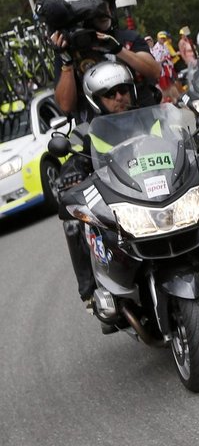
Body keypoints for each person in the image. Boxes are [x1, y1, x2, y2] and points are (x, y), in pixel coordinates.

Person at [54, 61, 138, 309]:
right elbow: (72, 163)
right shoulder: (84, 133)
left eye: (123, 89)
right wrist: (71, 177)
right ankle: (90, 291)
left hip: (152, 191)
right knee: (72, 218)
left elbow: (176, 143)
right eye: (110, 94)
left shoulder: (149, 119)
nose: (119, 97)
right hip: (114, 201)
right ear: (95, 100)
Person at [50, 0, 161, 122]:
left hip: (145, 125)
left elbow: (155, 71)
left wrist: (119, 49)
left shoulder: (128, 39)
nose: (104, 12)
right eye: (98, 6)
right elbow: (65, 106)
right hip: (98, 136)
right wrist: (67, 62)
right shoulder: (68, 51)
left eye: (107, 5)